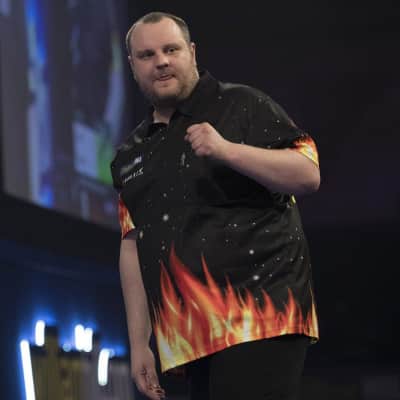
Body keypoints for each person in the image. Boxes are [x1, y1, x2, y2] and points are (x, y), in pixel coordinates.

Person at [111, 11, 320, 400]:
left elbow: (307, 174)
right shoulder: (129, 155)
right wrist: (139, 343)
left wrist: (226, 150)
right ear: (132, 66)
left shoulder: (242, 104)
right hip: (189, 337)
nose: (161, 61)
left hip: (260, 315)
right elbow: (132, 246)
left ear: (191, 52)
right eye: (147, 55)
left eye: (171, 49)